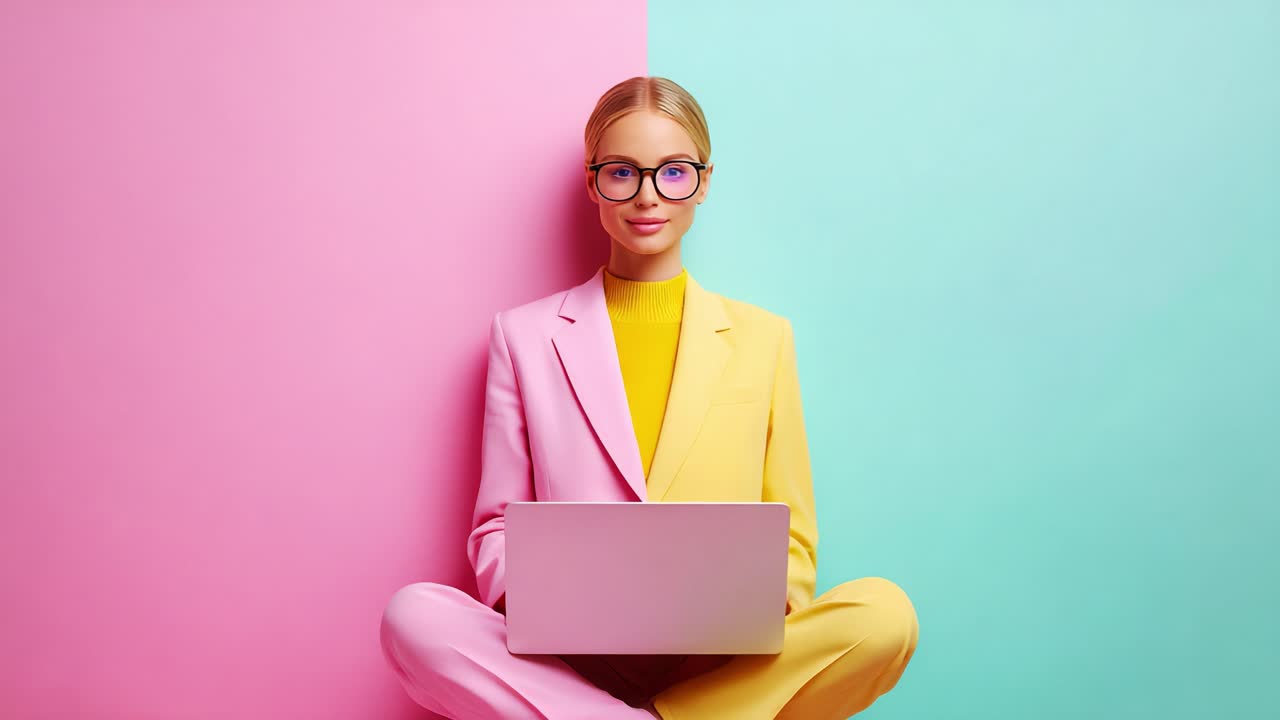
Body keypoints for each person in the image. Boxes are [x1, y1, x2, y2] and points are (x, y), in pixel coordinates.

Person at [379, 75, 919, 719]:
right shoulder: (522, 337)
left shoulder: (763, 338)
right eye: (622, 172)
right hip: (564, 659)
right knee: (413, 616)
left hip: (721, 661)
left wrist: (755, 602)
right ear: (592, 182)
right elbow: (494, 526)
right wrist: (541, 601)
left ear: (705, 182)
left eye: (672, 173)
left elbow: (794, 535)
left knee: (886, 615)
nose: (646, 196)